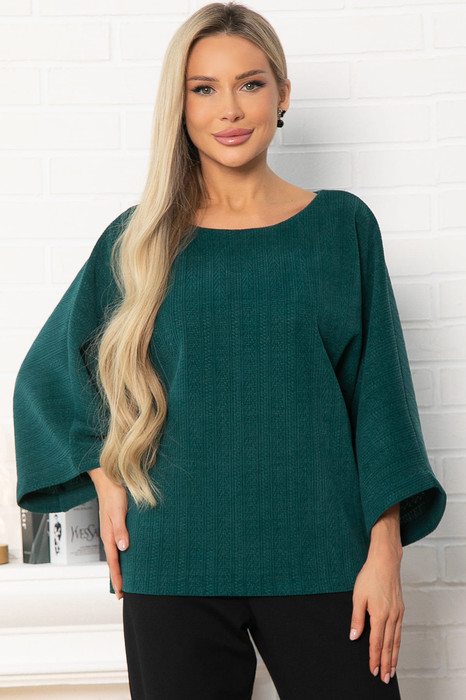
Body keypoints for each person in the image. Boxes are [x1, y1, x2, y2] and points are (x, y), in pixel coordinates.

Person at [13, 3, 446, 699]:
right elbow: (47, 377)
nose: (230, 108)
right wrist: (103, 474)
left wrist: (385, 553)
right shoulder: (138, 240)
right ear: (180, 105)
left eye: (250, 83)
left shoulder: (341, 227)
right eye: (204, 88)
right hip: (173, 558)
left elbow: (380, 402)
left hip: (325, 555)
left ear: (282, 94)